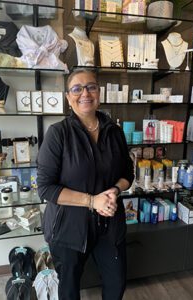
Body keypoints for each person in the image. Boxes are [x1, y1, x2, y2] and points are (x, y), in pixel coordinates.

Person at [37, 69, 134, 300]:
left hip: (109, 225)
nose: (85, 93)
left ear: (99, 92)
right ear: (68, 97)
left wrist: (115, 189)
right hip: (69, 228)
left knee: (116, 283)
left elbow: (127, 173)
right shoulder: (58, 133)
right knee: (69, 290)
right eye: (77, 88)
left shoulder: (115, 132)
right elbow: (45, 188)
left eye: (91, 86)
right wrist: (92, 201)